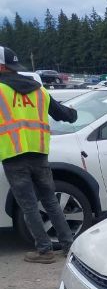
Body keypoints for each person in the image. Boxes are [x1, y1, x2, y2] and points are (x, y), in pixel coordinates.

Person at [0, 45, 78, 263]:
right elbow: (66, 115)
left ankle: (44, 250)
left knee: (29, 205)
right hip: (39, 155)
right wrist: (74, 112)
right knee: (50, 201)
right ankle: (68, 244)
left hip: (14, 156)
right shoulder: (40, 90)